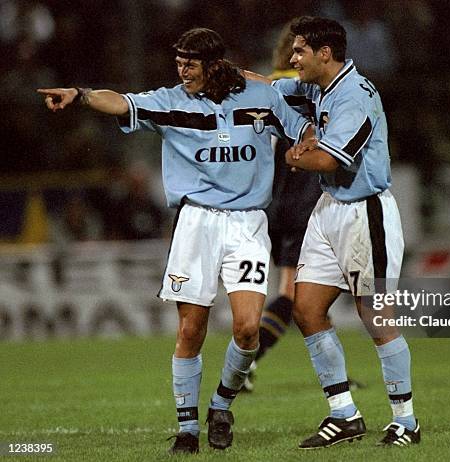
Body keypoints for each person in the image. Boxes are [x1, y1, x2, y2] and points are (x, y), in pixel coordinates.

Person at [37, 27, 312, 454]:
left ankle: (221, 403)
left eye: (190, 63)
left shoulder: (262, 99)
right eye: (179, 62)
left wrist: (306, 151)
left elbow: (303, 130)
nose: (182, 70)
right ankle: (187, 428)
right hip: (196, 224)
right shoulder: (171, 102)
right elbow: (122, 101)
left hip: (247, 226)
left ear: (214, 64)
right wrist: (81, 94)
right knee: (190, 329)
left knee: (246, 330)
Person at [272, 16, 421, 448]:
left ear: (324, 54)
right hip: (329, 208)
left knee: (375, 317)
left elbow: (330, 161)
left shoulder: (354, 96)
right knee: (306, 308)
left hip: (364, 212)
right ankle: (344, 414)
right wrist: (229, 77)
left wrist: (296, 157)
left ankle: (406, 421)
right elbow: (270, 85)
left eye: (299, 51)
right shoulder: (320, 86)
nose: (292, 58)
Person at [245, 21, 364, 393]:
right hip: (304, 199)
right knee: (301, 294)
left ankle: (336, 378)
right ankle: (246, 363)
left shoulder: (267, 84)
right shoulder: (312, 87)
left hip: (275, 200)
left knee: (303, 294)